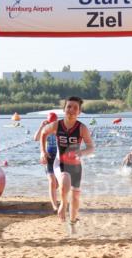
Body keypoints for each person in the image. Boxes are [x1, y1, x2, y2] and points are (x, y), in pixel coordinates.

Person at [39, 96, 94, 236]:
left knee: (75, 197)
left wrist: (81, 152)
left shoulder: (82, 128)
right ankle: (63, 204)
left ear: (79, 112)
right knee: (64, 180)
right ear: (64, 109)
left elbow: (91, 148)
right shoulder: (57, 125)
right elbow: (43, 133)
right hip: (60, 162)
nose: (71, 110)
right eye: (69, 106)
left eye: (75, 108)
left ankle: (73, 221)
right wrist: (42, 152)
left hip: (75, 165)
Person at [34, 111, 60, 210]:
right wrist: (41, 126)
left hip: (58, 157)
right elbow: (36, 138)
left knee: (57, 183)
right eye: (50, 122)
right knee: (52, 181)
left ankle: (52, 193)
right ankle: (54, 206)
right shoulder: (45, 129)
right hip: (48, 156)